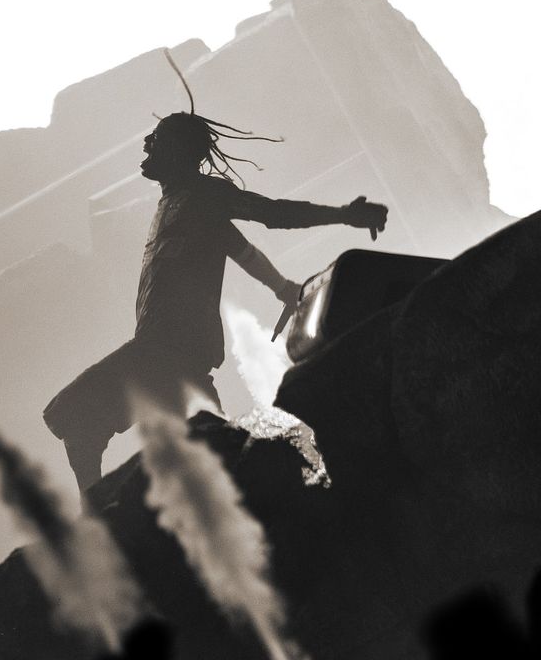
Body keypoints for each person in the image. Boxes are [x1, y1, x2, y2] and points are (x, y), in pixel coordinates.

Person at [44, 92, 387, 492]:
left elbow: (273, 213)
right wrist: (283, 288)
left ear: (178, 150)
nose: (146, 143)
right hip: (170, 355)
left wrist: (344, 215)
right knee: (218, 460)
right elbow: (243, 251)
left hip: (168, 349)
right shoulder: (181, 203)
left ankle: (97, 525)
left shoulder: (204, 194)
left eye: (157, 138)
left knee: (77, 414)